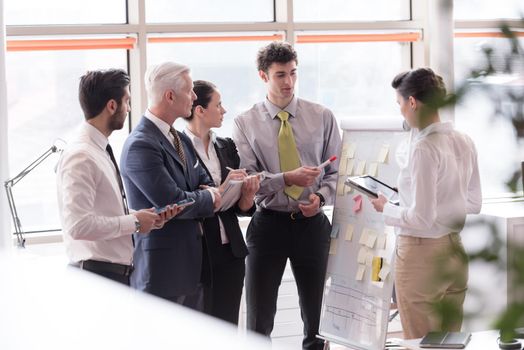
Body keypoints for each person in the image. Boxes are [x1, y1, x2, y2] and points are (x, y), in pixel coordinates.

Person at [232, 42, 341, 349]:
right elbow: (248, 180)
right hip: (268, 225)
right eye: (280, 75)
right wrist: (286, 179)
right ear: (263, 76)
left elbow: (336, 172)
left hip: (313, 225)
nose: (288, 82)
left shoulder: (322, 116)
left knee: (318, 321)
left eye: (293, 73)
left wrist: (319, 198)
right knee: (258, 320)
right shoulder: (245, 122)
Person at [370, 68, 482, 339]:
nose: (401, 113)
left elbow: (422, 218)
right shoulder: (463, 140)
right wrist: (419, 197)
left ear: (412, 102)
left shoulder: (423, 147)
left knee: (421, 343)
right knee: (448, 342)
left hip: (422, 256)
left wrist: (387, 207)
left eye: (399, 104)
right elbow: (473, 203)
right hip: (455, 252)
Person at [56, 69, 179, 286]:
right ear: (112, 106)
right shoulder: (82, 155)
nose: (130, 108)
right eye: (127, 101)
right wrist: (134, 222)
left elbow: (103, 211)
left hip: (111, 275)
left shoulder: (98, 149)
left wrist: (141, 218)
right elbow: (78, 225)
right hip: (96, 277)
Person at [120, 62, 221, 310]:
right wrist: (209, 197)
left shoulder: (178, 138)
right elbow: (172, 200)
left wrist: (203, 192)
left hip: (191, 267)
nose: (195, 96)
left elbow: (202, 180)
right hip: (162, 271)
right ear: (170, 96)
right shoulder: (141, 144)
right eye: (189, 90)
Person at [183, 80, 260, 324]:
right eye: (219, 105)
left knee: (228, 326)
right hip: (200, 250)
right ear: (200, 110)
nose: (224, 110)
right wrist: (222, 189)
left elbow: (241, 209)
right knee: (201, 327)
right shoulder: (178, 148)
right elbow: (188, 197)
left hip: (231, 251)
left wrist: (247, 196)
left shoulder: (225, 145)